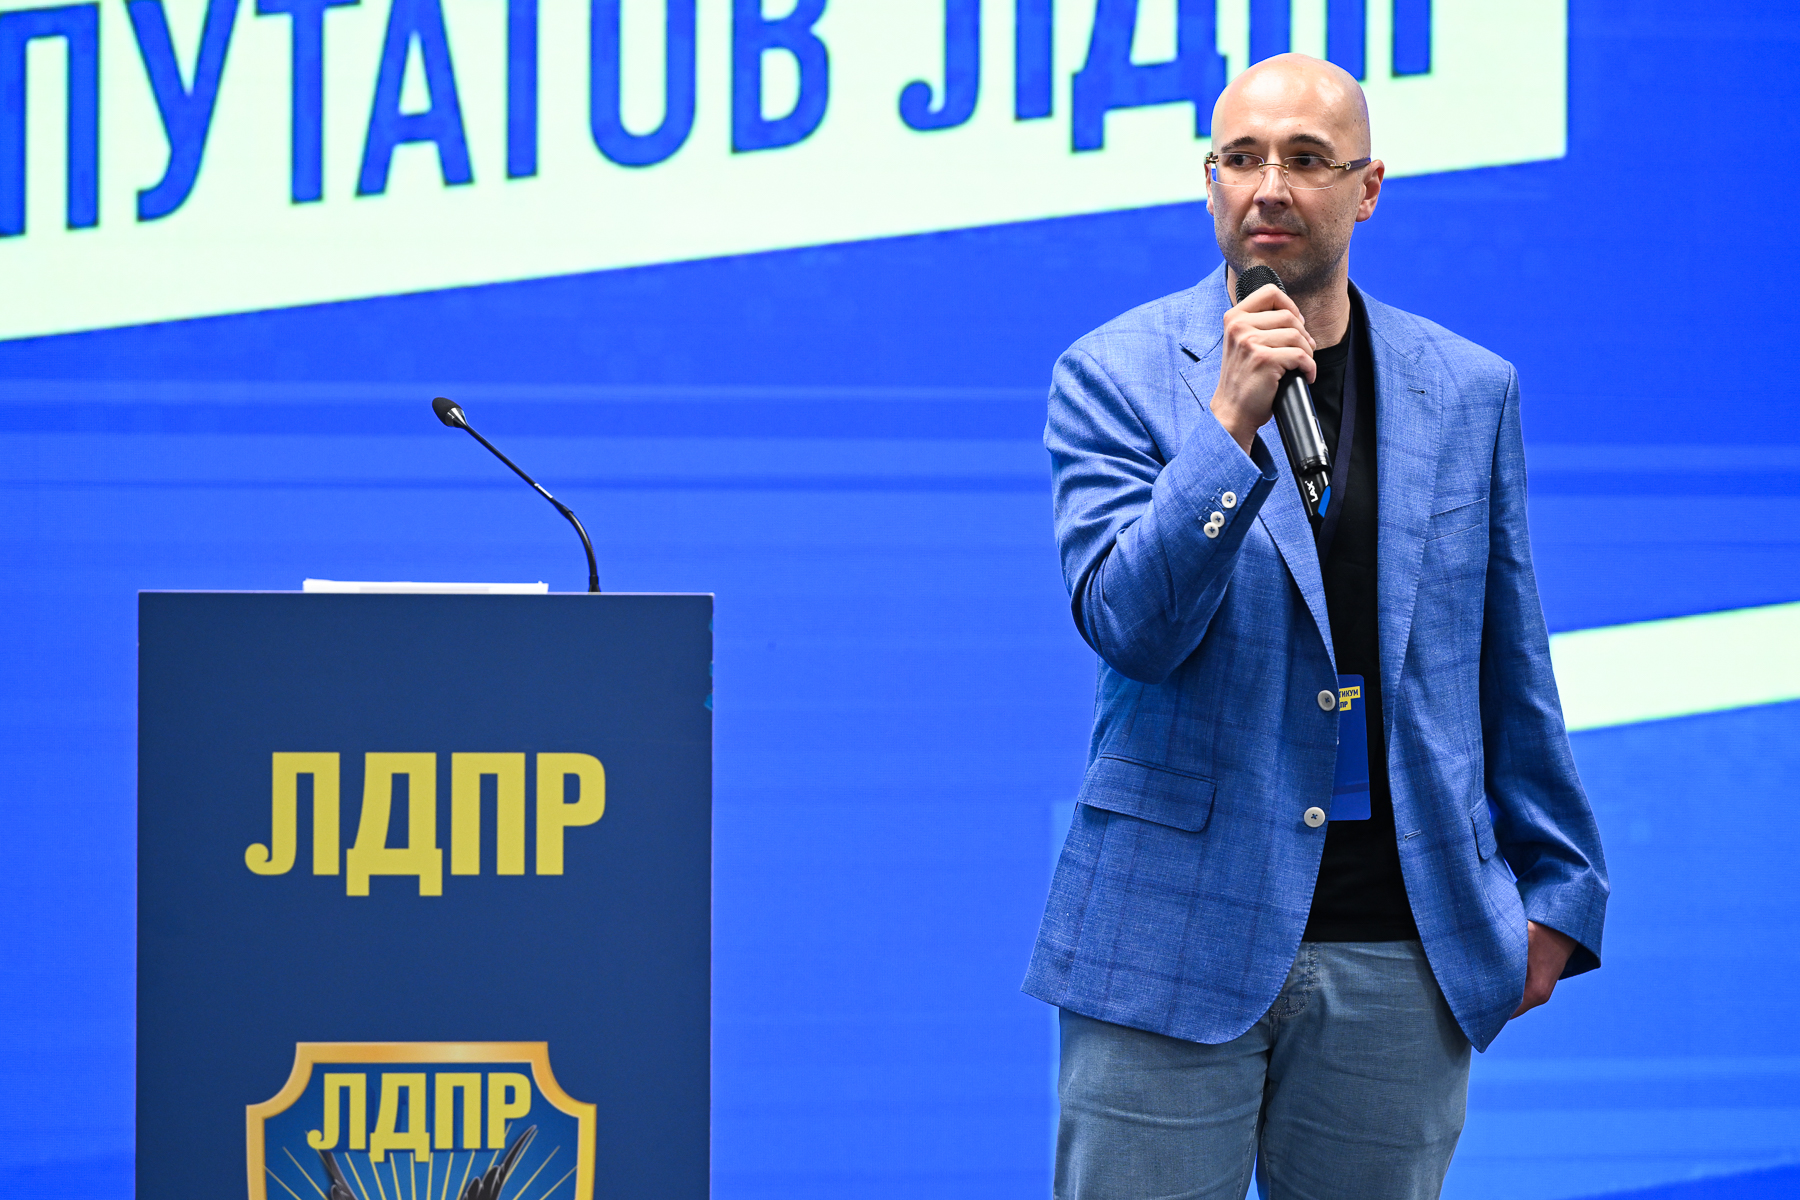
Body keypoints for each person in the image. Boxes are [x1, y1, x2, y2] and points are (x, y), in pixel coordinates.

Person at [1023, 53, 1609, 1200]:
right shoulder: (1113, 374)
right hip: (1166, 936)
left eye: (1305, 159)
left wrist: (1558, 890)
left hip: (1402, 940)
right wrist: (1226, 430)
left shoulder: (1468, 387)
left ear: (1367, 188)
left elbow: (1508, 655)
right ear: (1208, 181)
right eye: (1241, 159)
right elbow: (1129, 626)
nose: (1269, 187)